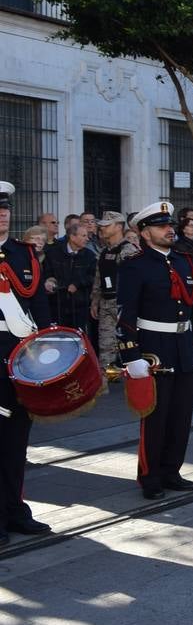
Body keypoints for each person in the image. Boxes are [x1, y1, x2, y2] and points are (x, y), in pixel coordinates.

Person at [116, 202, 193, 500]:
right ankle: (150, 475)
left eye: (170, 225)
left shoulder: (185, 261)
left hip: (183, 346)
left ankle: (172, 470)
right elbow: (125, 314)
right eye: (160, 226)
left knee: (181, 415)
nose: (169, 230)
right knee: (155, 415)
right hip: (153, 348)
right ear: (144, 233)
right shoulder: (134, 266)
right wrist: (131, 356)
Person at [0, 181, 55, 543]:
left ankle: (14, 509)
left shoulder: (23, 254)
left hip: (19, 356)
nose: (2, 214)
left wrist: (50, 346)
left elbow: (37, 304)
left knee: (17, 437)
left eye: (5, 209)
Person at [90, 211, 138, 367]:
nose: (102, 229)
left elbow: (133, 281)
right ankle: (107, 378)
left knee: (129, 342)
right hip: (106, 303)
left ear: (118, 227)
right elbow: (99, 277)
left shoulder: (129, 250)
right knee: (106, 345)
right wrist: (95, 301)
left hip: (123, 305)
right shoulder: (104, 251)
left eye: (106, 226)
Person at [43, 222, 96, 330]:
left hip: (80, 307)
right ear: (72, 237)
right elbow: (47, 272)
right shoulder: (53, 253)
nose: (87, 239)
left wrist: (77, 284)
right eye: (83, 236)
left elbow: (93, 276)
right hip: (57, 305)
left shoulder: (89, 256)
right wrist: (50, 281)